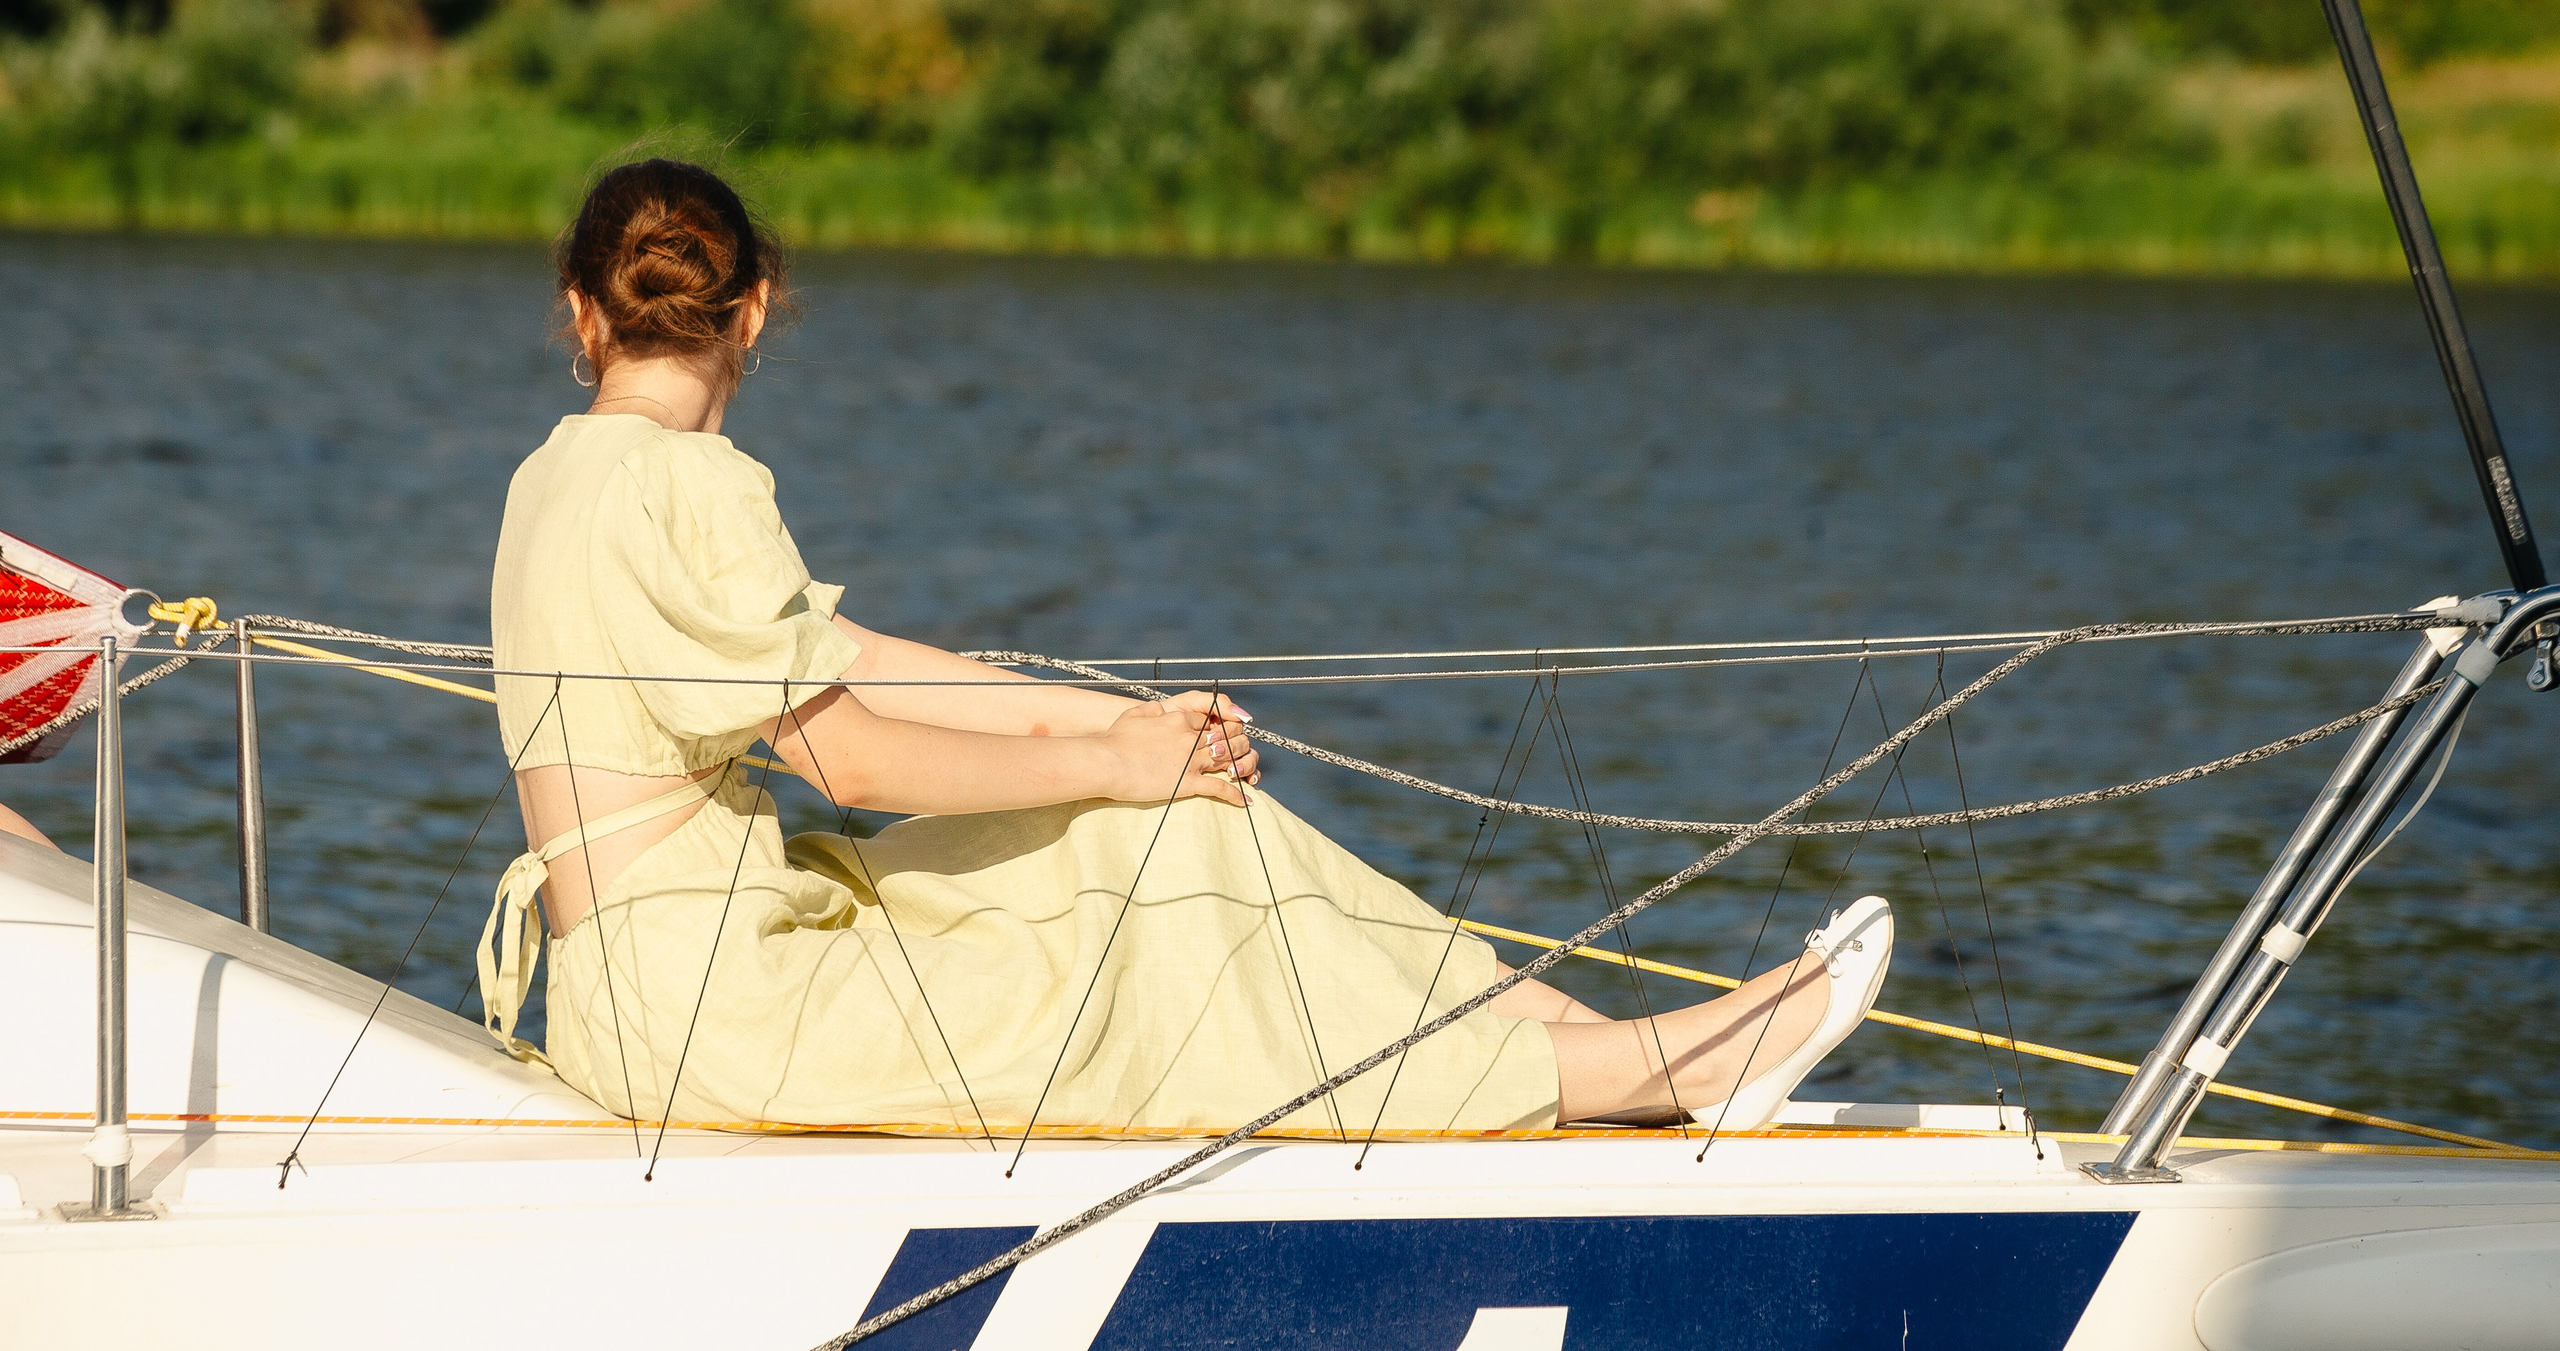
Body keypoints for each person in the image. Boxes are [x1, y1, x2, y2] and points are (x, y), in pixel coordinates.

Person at [479, 158, 1893, 1136]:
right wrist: (1110, 762)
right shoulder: (691, 487)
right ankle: (1653, 1067)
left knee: (1172, 826)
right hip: (726, 1017)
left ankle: (1640, 1056)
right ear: (759, 311)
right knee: (1168, 904)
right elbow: (846, 754)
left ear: (581, 314)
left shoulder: (558, 477)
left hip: (645, 1001)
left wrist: (1111, 728)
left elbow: (850, 658)